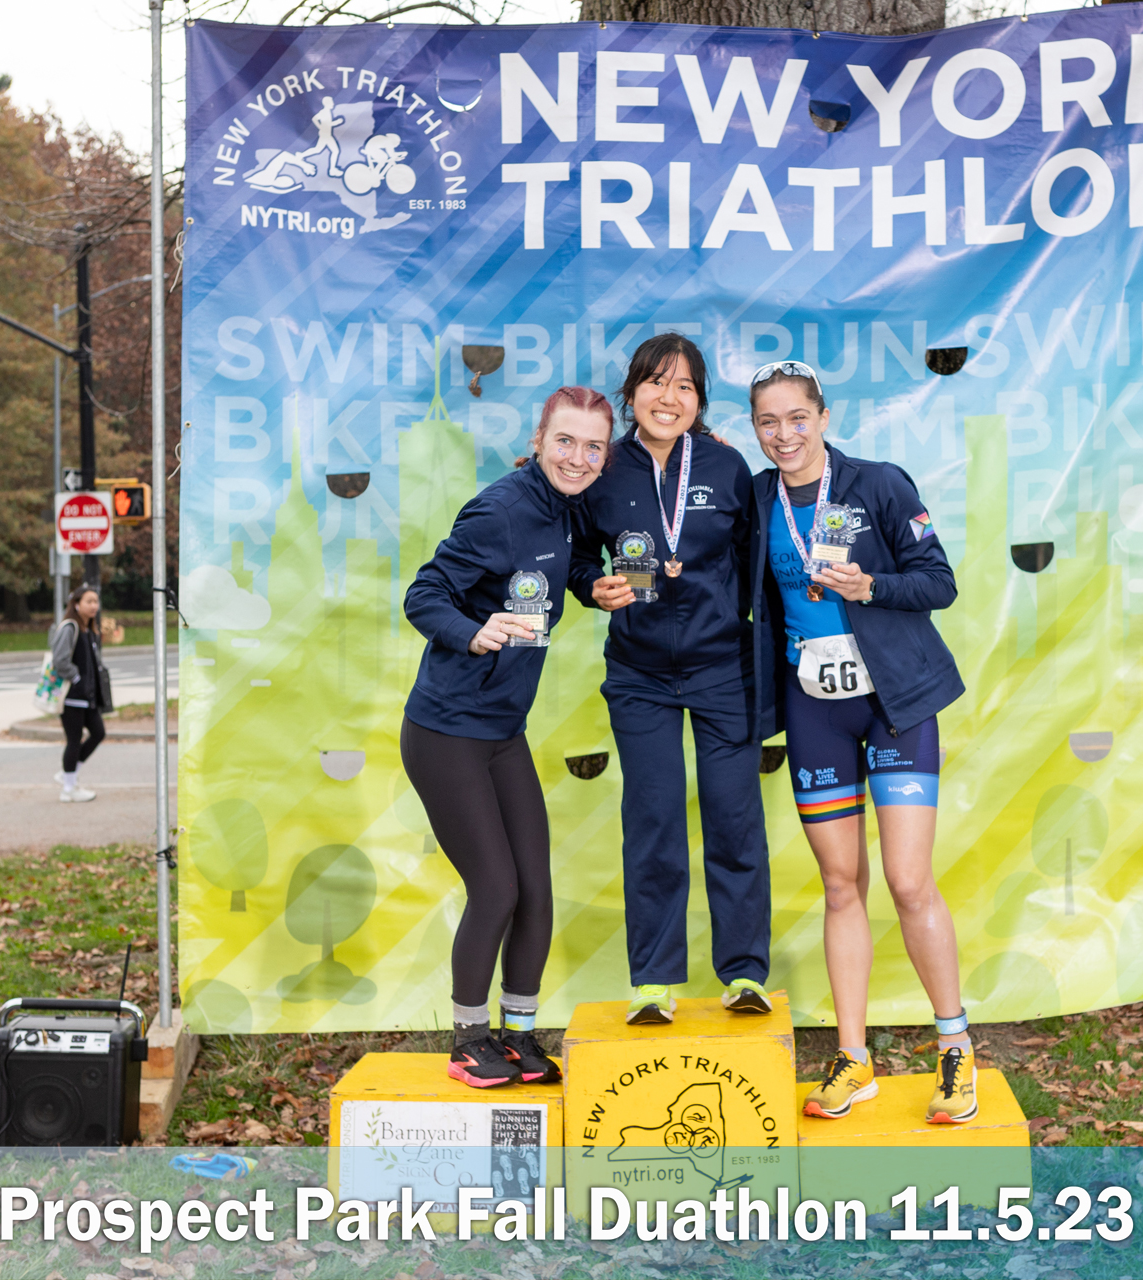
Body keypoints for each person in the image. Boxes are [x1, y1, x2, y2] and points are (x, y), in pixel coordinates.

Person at [748, 360, 970, 1123]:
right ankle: (853, 1058)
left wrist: (870, 586)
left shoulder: (879, 484)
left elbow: (938, 581)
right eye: (768, 422)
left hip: (893, 702)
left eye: (796, 417)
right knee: (841, 884)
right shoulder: (758, 498)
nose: (784, 434)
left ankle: (955, 1049)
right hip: (815, 707)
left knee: (908, 881)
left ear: (823, 416)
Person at [402, 387, 613, 1086]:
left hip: (502, 731)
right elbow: (424, 594)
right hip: (446, 732)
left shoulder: (568, 506)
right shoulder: (498, 510)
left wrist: (594, 585)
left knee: (535, 890)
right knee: (495, 888)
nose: (578, 457)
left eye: (593, 446)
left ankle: (518, 1035)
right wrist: (473, 631)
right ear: (538, 440)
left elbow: (563, 564)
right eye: (565, 441)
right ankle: (469, 1042)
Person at [568, 333, 772, 1026]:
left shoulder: (726, 465)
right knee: (652, 820)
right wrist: (591, 587)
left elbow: (753, 564)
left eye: (685, 386)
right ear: (632, 393)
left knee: (733, 818)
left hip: (723, 671)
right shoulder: (603, 468)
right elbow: (578, 557)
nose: (669, 396)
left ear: (699, 402)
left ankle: (744, 973)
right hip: (639, 675)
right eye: (657, 381)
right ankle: (653, 981)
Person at [49, 586, 121, 804]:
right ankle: (68, 789)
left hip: (87, 696)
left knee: (98, 732)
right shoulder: (70, 627)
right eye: (89, 601)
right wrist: (77, 678)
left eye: (96, 601)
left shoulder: (89, 630)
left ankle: (68, 774)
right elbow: (60, 660)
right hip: (72, 696)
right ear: (77, 604)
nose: (94, 606)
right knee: (74, 740)